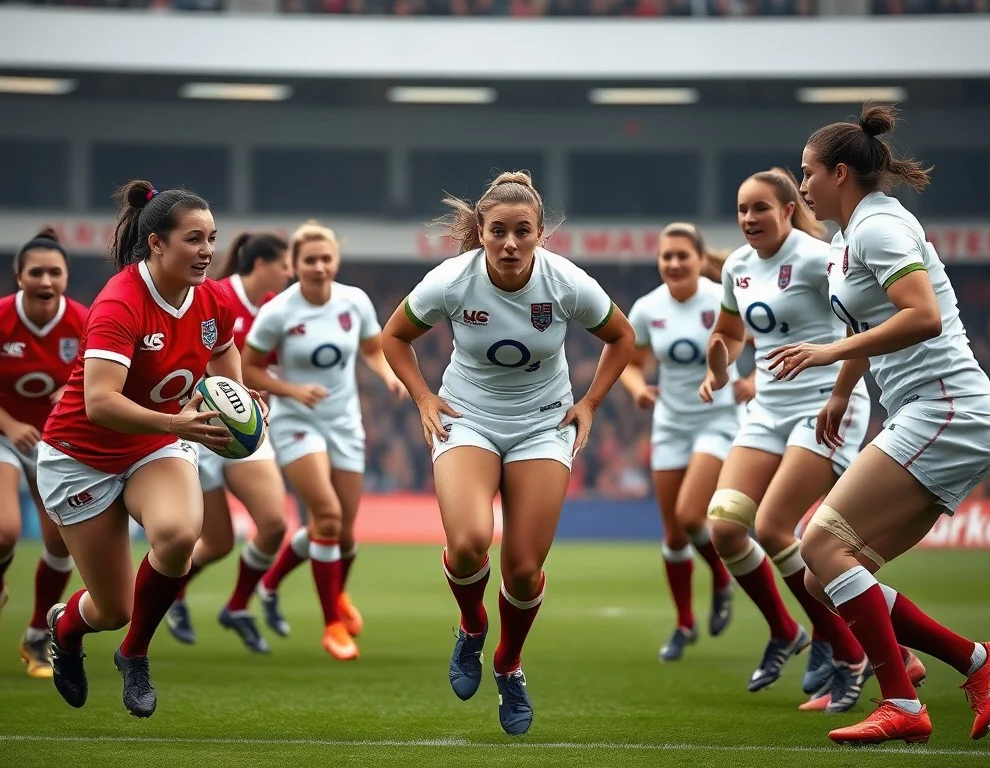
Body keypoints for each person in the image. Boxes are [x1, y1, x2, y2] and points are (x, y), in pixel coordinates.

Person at [767, 103, 990, 745]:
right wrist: (841, 391)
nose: (803, 184)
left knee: (819, 544)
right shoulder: (848, 238)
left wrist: (828, 355)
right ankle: (978, 661)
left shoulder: (879, 228)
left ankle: (902, 703)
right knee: (825, 574)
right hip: (931, 413)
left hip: (948, 410)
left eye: (808, 172)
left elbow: (922, 315)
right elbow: (869, 322)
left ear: (839, 173)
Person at [382, 170, 635, 735]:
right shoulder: (452, 280)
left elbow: (623, 337)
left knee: (523, 571)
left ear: (541, 234)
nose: (511, 243)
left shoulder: (565, 282)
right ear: (481, 231)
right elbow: (392, 337)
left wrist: (591, 403)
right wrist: (422, 397)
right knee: (468, 543)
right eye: (498, 231)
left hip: (544, 425)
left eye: (523, 231)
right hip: (467, 418)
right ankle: (472, 627)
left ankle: (508, 663)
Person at [37, 180, 265, 718]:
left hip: (155, 443)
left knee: (180, 534)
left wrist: (236, 398)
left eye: (212, 238)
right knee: (112, 608)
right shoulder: (119, 303)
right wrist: (177, 422)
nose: (207, 251)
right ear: (157, 243)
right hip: (80, 455)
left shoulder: (213, 298)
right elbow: (100, 403)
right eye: (194, 239)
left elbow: (223, 353)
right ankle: (65, 630)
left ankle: (134, 653)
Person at [699, 166, 902, 714]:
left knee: (772, 526)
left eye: (760, 208)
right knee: (725, 527)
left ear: (789, 210)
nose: (748, 218)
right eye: (742, 209)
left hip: (824, 405)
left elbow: (861, 330)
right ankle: (824, 641)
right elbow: (730, 332)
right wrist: (719, 362)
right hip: (767, 409)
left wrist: (841, 392)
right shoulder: (737, 267)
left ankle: (850, 652)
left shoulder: (818, 258)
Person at [241, 220, 407, 660]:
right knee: (327, 516)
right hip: (296, 421)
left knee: (343, 535)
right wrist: (292, 391)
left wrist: (388, 375)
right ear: (294, 265)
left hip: (344, 422)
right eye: (310, 260)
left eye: (326, 259)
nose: (319, 267)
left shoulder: (355, 301)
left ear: (336, 261)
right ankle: (332, 624)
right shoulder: (278, 311)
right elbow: (248, 367)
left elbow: (372, 348)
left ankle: (273, 583)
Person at [620, 222, 751, 661]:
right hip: (670, 425)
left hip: (718, 419)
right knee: (674, 535)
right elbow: (631, 363)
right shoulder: (647, 308)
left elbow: (769, 340)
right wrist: (638, 388)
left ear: (699, 259)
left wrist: (753, 382)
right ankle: (683, 624)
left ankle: (721, 576)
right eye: (667, 256)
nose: (674, 263)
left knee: (692, 516)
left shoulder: (721, 299)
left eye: (682, 255)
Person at [165, 232, 293, 653]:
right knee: (217, 543)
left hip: (244, 425)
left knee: (273, 525)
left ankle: (237, 606)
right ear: (260, 265)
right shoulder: (217, 296)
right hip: (197, 427)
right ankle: (172, 596)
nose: (289, 273)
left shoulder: (277, 308)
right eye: (284, 265)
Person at [0, 228, 87, 678]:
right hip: (0, 435)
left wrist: (74, 387)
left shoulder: (85, 321)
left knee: (59, 541)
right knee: (2, 533)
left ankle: (35, 636)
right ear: (19, 277)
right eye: (36, 273)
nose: (46, 281)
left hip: (58, 439)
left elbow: (103, 374)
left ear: (66, 276)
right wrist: (10, 425)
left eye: (54, 272)